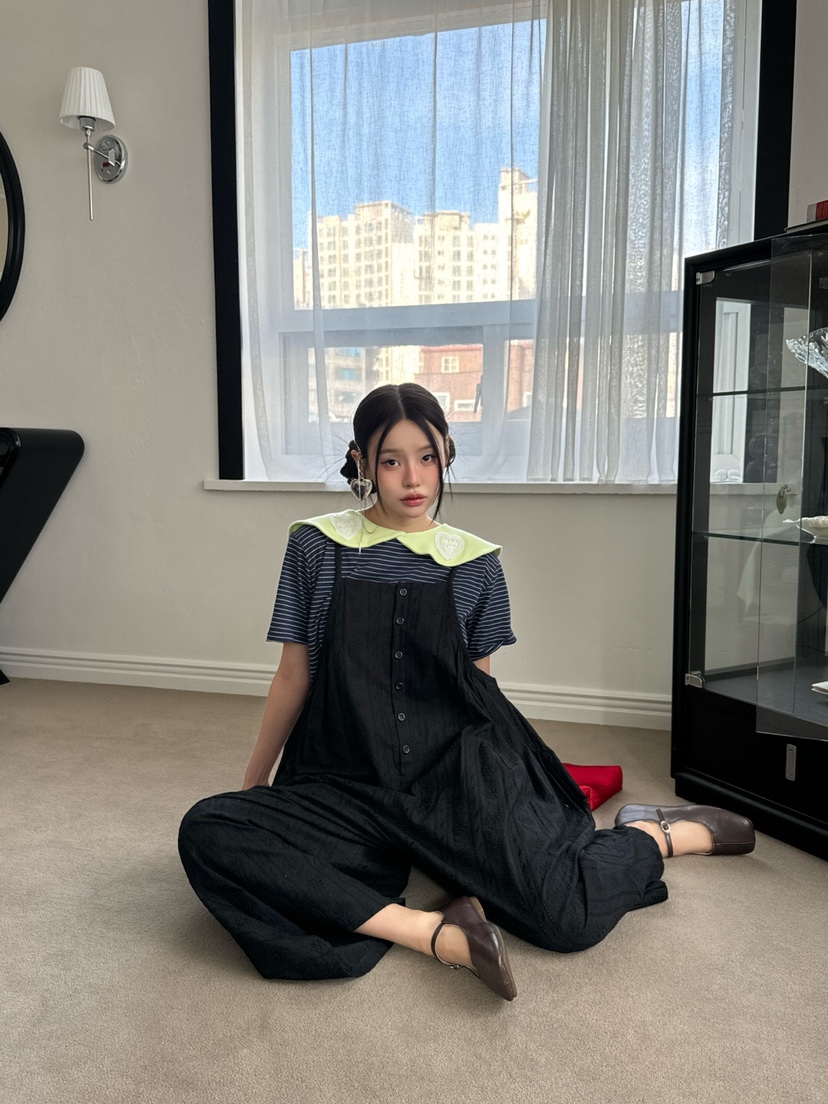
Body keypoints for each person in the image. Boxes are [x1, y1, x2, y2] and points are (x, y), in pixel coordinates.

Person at [178, 383, 755, 1001]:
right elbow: (295, 674)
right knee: (210, 829)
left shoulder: (476, 563)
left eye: (426, 457)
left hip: (452, 773)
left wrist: (507, 795)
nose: (412, 478)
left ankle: (653, 834)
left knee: (565, 918)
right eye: (391, 460)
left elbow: (478, 689)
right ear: (362, 462)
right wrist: (255, 784)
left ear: (447, 453)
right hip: (342, 775)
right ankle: (434, 933)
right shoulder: (315, 546)